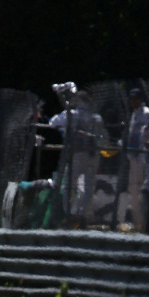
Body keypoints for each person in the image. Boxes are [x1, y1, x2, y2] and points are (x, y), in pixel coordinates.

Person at [48, 82, 106, 227]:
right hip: (93, 155)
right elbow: (103, 138)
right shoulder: (97, 117)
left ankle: (69, 213)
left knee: (68, 185)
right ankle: (83, 215)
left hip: (78, 154)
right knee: (89, 187)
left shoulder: (72, 114)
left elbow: (52, 123)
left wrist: (65, 128)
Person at [122, 88, 149, 231]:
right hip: (133, 156)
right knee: (133, 188)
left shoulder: (146, 113)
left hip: (144, 155)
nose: (132, 101)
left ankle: (144, 223)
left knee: (142, 188)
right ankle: (137, 222)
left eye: (135, 98)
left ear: (141, 99)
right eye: (131, 99)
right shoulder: (134, 115)